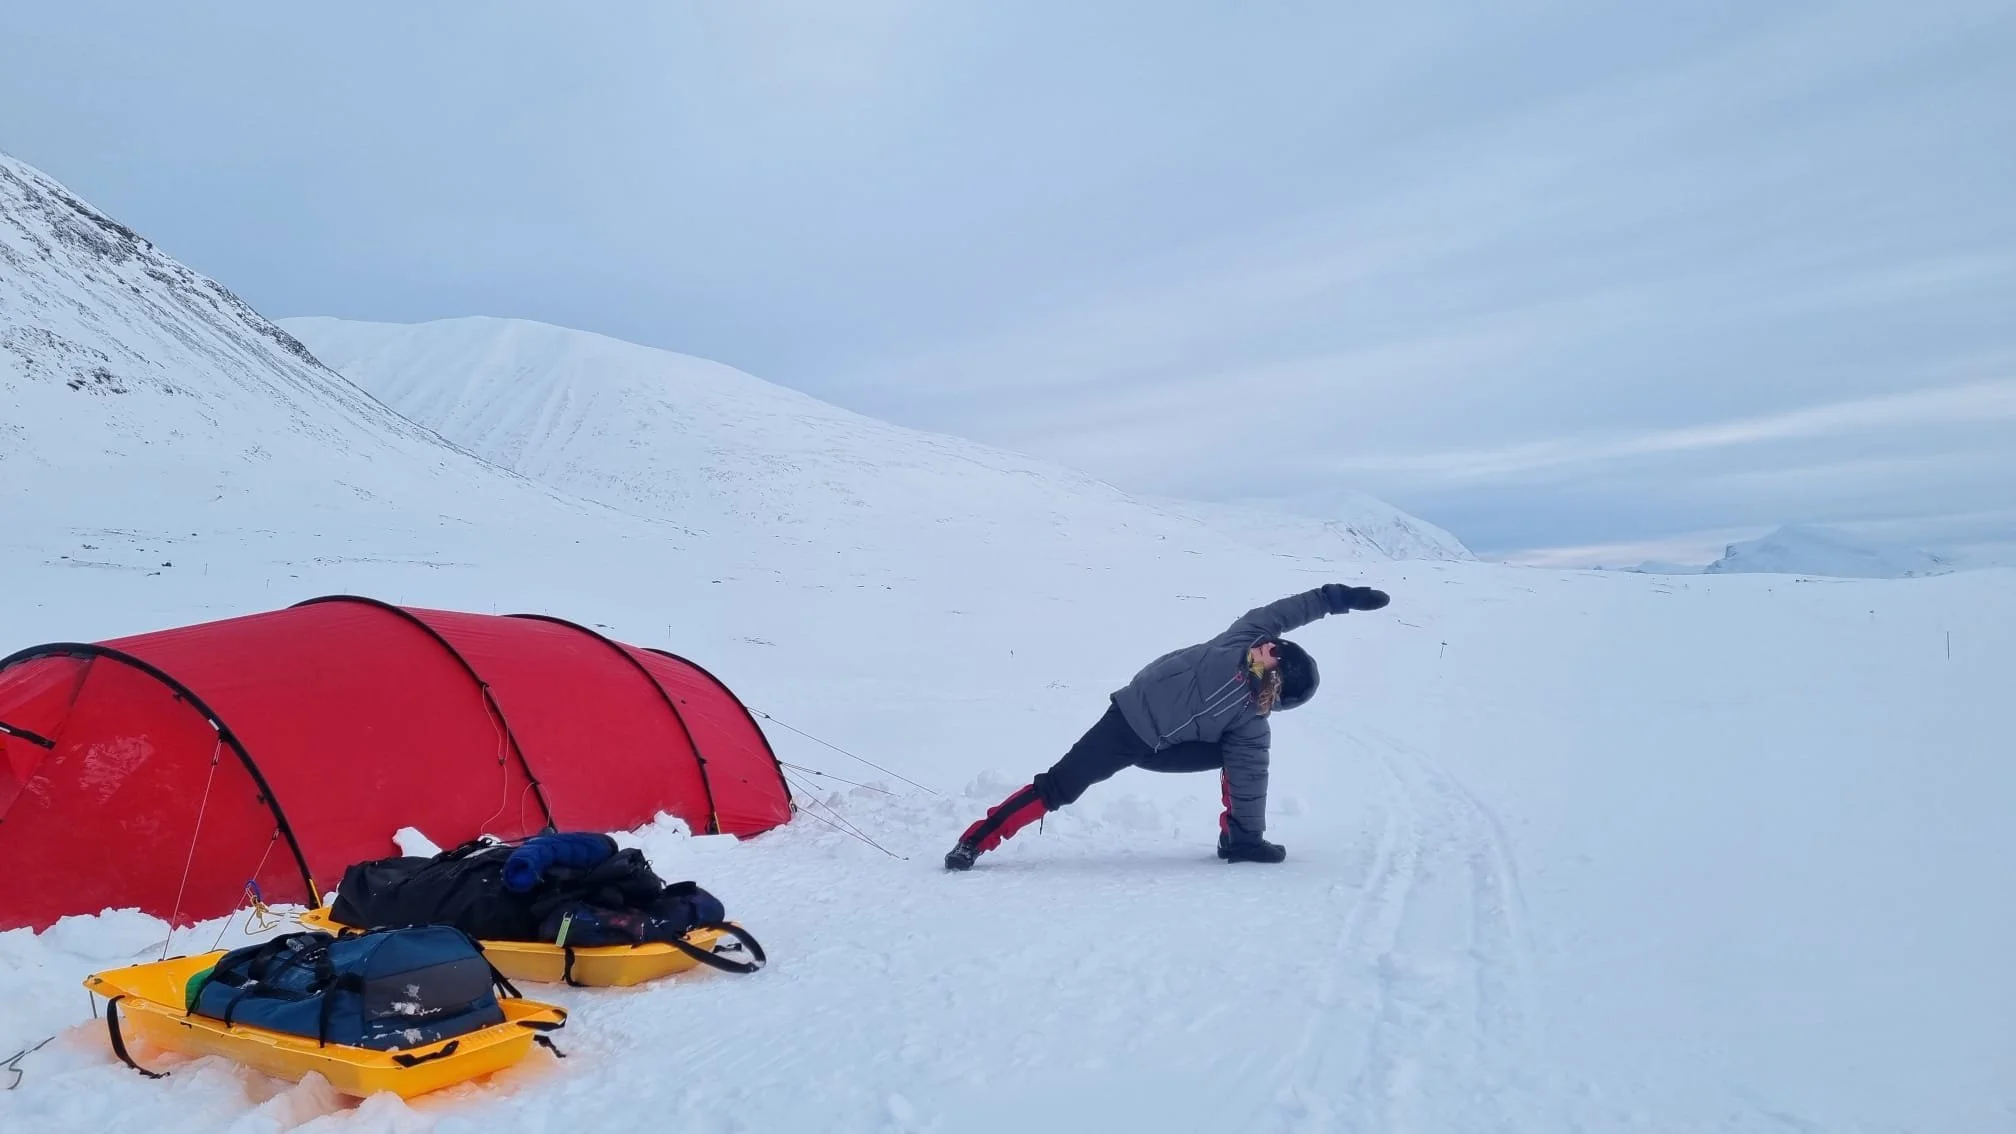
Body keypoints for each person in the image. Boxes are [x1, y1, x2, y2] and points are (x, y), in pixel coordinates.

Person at [944, 583, 1391, 870]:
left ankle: (1238, 842)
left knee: (1238, 760)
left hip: (1165, 750)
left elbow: (1252, 783)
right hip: (1125, 724)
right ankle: (974, 842)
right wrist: (1339, 598)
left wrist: (1252, 837)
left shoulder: (1250, 723)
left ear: (1275, 681)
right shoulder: (1244, 639)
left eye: (1278, 653)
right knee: (1059, 785)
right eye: (1278, 644)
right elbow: (1288, 610)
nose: (1272, 644)